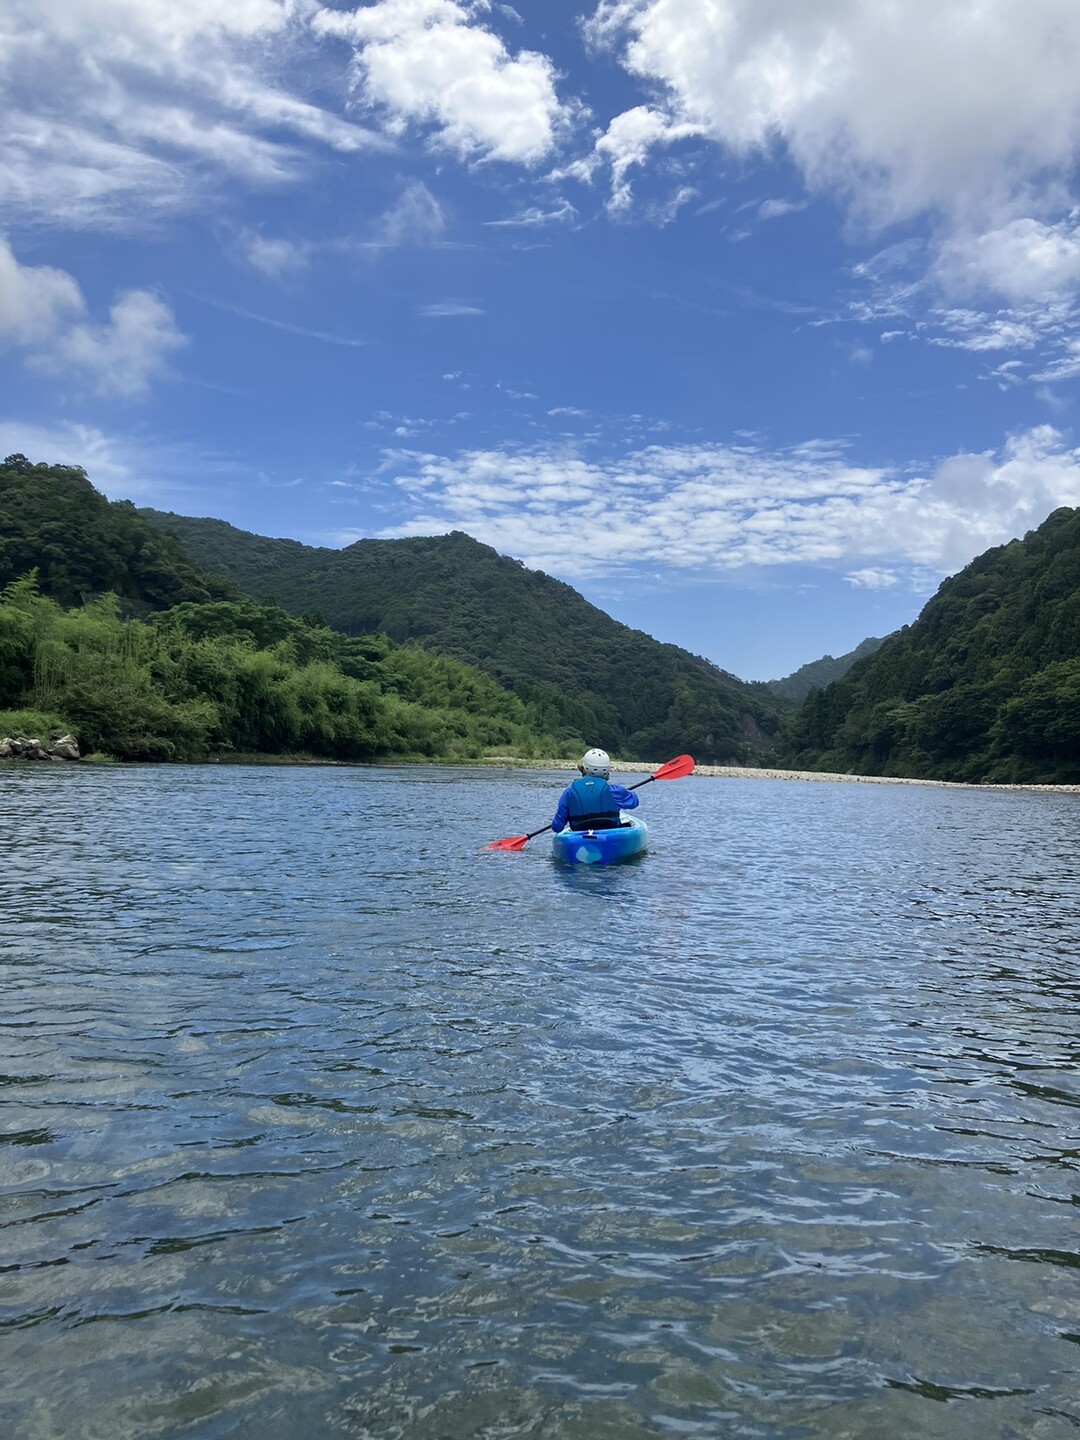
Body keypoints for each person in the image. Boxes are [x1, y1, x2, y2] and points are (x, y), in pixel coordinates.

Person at [551, 748, 640, 833]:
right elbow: (634, 802)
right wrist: (625, 792)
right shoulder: (615, 791)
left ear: (584, 768)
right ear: (606, 770)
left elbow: (557, 827)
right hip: (609, 835)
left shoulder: (570, 791)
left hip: (579, 835)